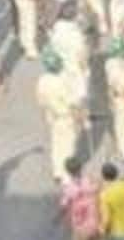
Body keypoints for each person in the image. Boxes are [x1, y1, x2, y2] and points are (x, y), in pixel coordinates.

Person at [57, 156, 107, 240]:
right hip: (97, 221)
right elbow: (100, 187)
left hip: (81, 226)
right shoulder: (90, 181)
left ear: (68, 171)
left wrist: (57, 218)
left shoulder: (69, 188)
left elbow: (63, 205)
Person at [36, 52, 86, 181]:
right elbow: (71, 101)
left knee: (56, 144)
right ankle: (66, 175)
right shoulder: (60, 82)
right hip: (65, 117)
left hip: (51, 116)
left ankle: (57, 171)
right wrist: (80, 114)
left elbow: (40, 100)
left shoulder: (42, 80)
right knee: (68, 146)